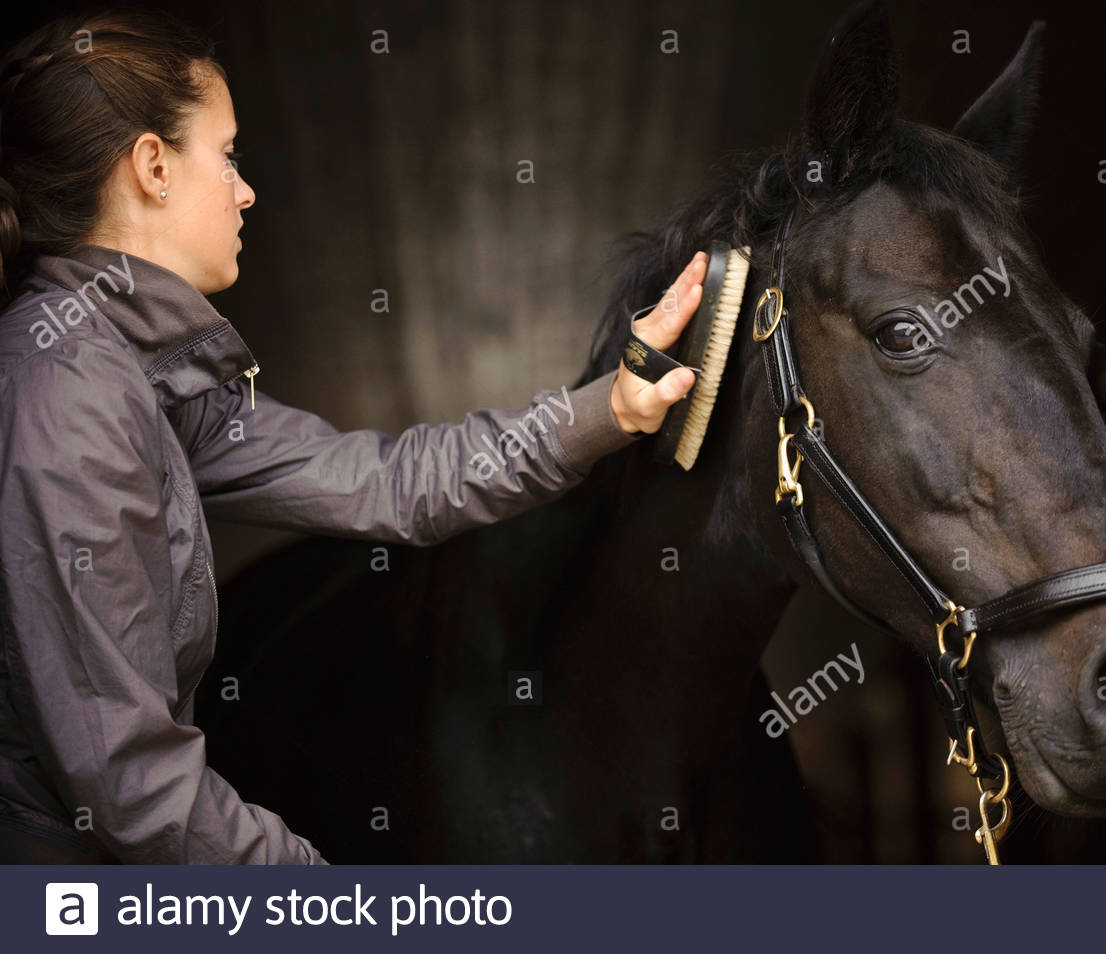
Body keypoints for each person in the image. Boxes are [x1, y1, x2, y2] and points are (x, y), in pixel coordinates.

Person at [0, 10, 705, 864]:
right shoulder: (69, 392)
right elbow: (133, 787)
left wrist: (612, 407)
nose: (244, 187)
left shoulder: (132, 373)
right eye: (224, 156)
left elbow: (386, 482)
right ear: (153, 167)